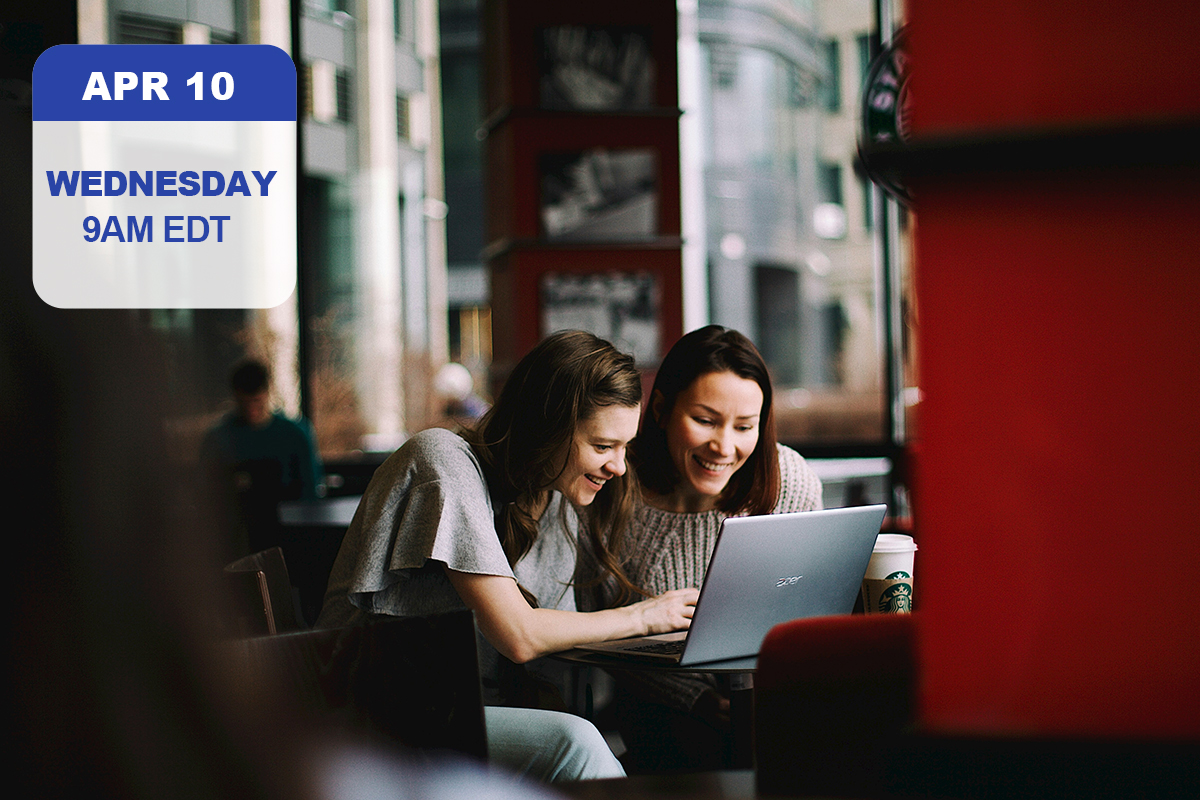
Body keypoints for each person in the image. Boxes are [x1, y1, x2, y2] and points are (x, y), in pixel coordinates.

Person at [316, 330, 699, 783]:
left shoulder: (553, 497)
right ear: (547, 427)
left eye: (623, 448)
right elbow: (520, 635)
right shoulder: (441, 461)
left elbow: (558, 633)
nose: (618, 467)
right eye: (602, 446)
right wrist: (644, 617)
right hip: (367, 713)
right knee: (576, 744)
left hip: (452, 708)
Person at [585, 325, 823, 773]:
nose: (724, 446)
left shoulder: (788, 479)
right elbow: (595, 625)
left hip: (777, 701)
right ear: (661, 409)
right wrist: (694, 698)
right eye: (706, 420)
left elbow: (810, 604)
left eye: (745, 426)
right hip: (664, 714)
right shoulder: (612, 490)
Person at [200, 358, 324, 559]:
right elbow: (207, 495)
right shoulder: (218, 440)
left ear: (267, 394)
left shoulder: (295, 435)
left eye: (256, 401)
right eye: (244, 403)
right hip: (235, 537)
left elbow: (310, 494)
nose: (251, 410)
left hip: (288, 536)